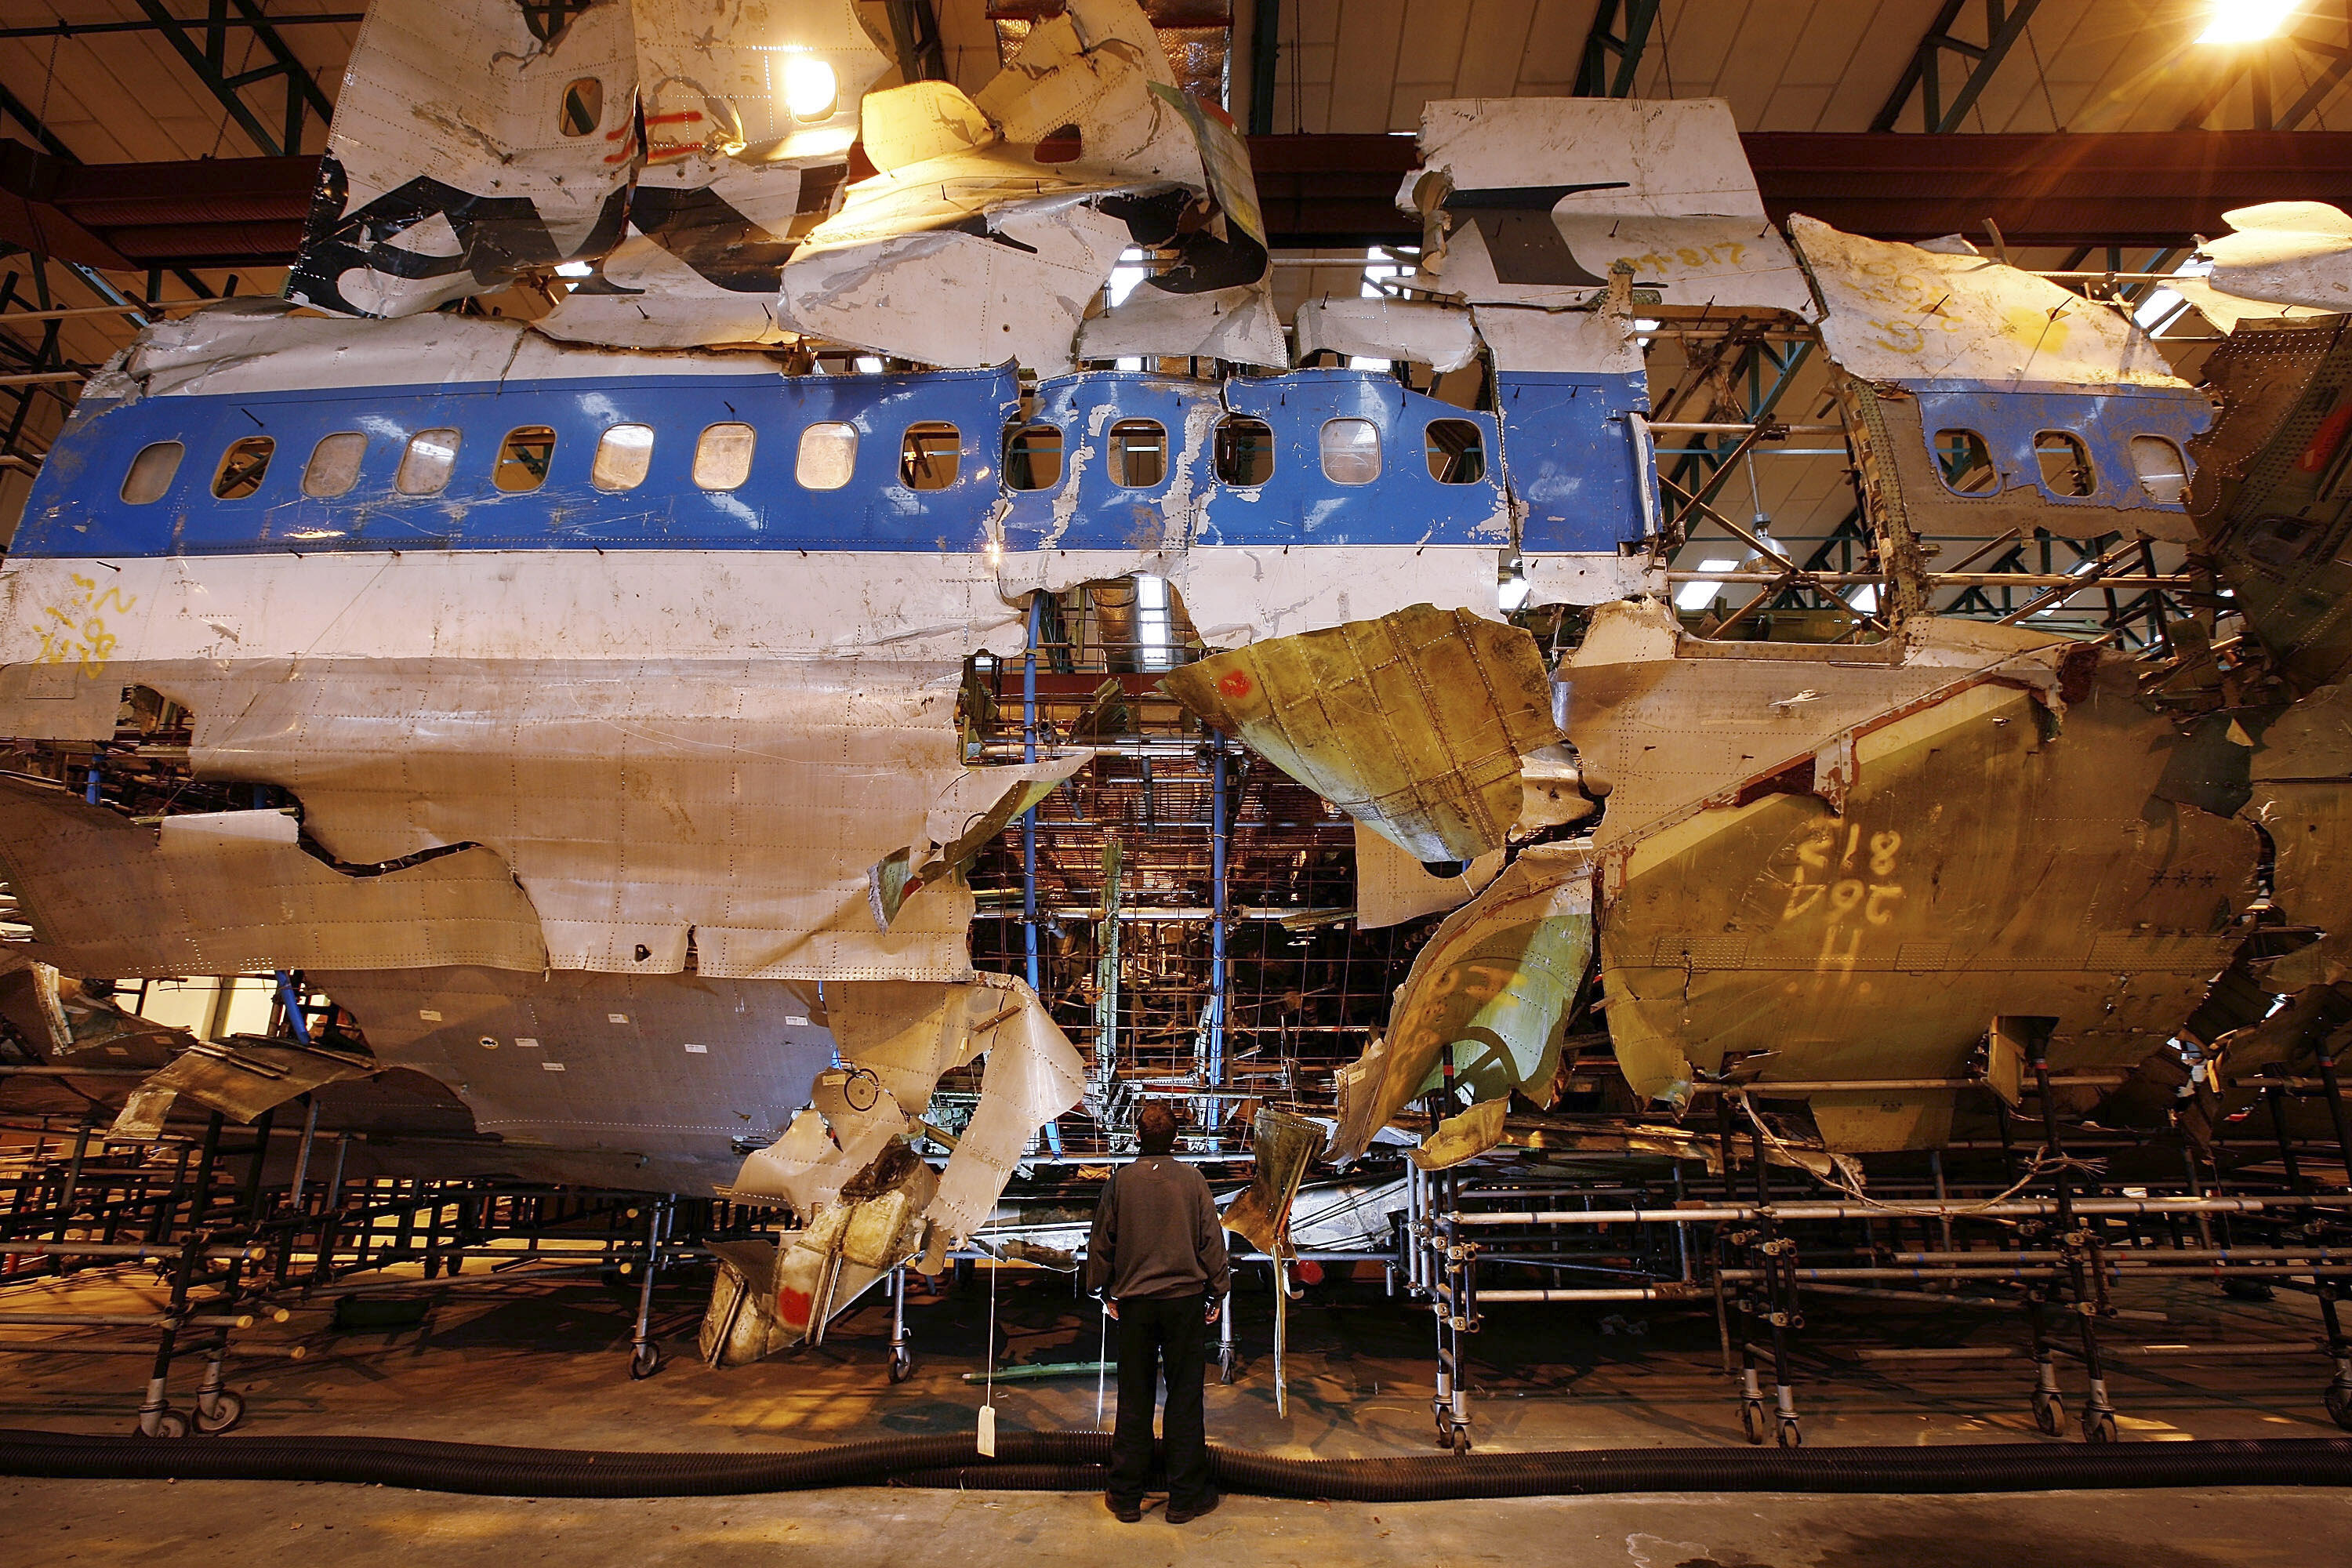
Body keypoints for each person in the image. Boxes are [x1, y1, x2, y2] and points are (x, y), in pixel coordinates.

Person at [1084, 1102, 1231, 1523]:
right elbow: (1211, 1241)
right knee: (1185, 1398)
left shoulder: (1120, 1183)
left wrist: (1103, 1290)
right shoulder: (1193, 1181)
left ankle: (1127, 1497)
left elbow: (1102, 1243)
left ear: (1137, 1138)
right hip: (1183, 1303)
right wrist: (1217, 1292)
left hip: (1135, 1307)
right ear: (1175, 1140)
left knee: (1134, 1397)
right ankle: (1186, 1498)